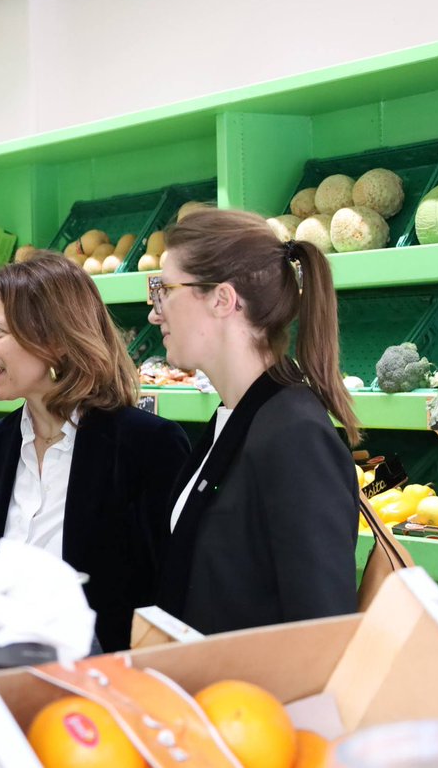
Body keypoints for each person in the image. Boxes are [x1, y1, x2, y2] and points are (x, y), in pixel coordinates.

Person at [0, 252, 190, 652]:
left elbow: (168, 598)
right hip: (0, 675)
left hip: (103, 686)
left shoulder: (147, 448)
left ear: (53, 340)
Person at [150, 206, 362, 636]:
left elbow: (321, 633)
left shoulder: (295, 437)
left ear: (223, 299)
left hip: (255, 703)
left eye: (164, 290)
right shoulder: (234, 418)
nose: (155, 312)